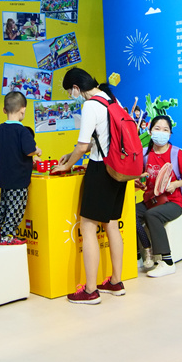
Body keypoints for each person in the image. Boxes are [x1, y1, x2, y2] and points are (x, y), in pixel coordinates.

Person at [52, 67, 126, 304]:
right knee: (111, 224)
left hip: (100, 169)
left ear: (76, 87)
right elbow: (104, 139)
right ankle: (116, 282)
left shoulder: (90, 105)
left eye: (69, 92)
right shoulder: (111, 99)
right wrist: (71, 155)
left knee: (88, 226)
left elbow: (83, 146)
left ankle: (91, 290)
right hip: (119, 169)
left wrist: (67, 165)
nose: (70, 96)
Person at [136, 115, 182, 277]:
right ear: (150, 131)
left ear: (170, 134)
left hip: (173, 202)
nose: (161, 133)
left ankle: (167, 262)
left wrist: (176, 184)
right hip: (150, 200)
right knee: (130, 213)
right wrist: (139, 183)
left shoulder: (176, 153)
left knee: (152, 215)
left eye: (165, 130)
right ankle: (142, 253)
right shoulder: (145, 154)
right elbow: (141, 177)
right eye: (157, 129)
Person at [0, 91, 42, 244]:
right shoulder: (22, 131)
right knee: (16, 207)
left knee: (4, 204)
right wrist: (37, 150)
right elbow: (29, 150)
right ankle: (8, 235)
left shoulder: (1, 128)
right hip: (19, 179)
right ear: (23, 110)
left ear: (4, 110)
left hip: (5, 178)